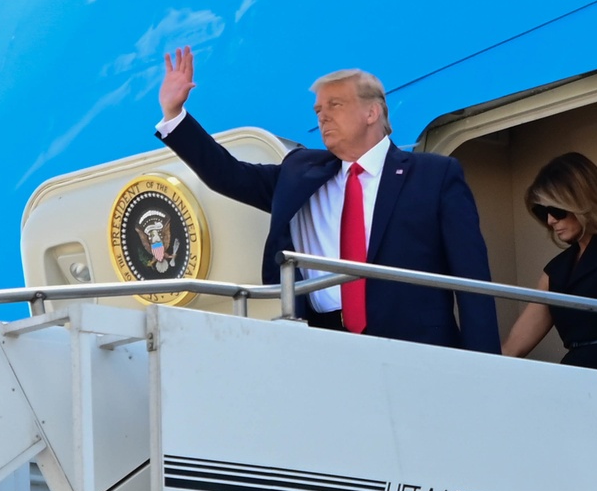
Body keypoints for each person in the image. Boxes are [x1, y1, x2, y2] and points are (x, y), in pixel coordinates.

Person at [156, 46, 499, 353]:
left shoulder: (434, 174)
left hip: (418, 347)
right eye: (318, 109)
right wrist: (175, 115)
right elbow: (226, 175)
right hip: (323, 344)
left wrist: (486, 365)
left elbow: (471, 279)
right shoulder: (300, 173)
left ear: (372, 112)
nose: (322, 116)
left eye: (335, 104)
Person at [501, 152, 597, 371]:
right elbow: (512, 349)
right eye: (542, 212)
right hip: (573, 377)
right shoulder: (555, 272)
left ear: (582, 201)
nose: (550, 221)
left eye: (557, 210)